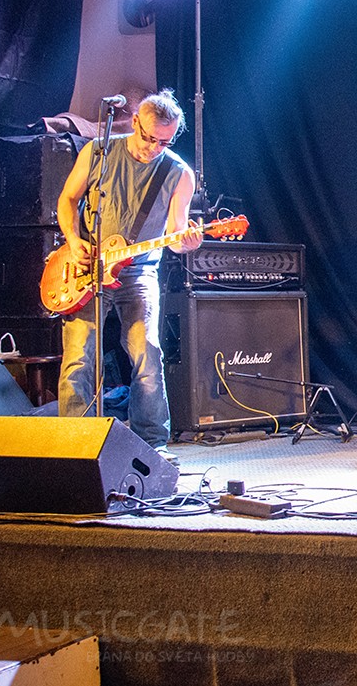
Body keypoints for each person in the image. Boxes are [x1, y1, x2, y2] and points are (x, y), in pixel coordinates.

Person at [57, 90, 203, 466]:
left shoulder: (178, 174)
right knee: (78, 356)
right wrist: (73, 241)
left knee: (146, 353)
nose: (154, 148)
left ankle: (152, 445)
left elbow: (176, 237)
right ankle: (74, 445)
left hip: (138, 271)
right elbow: (68, 200)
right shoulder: (98, 152)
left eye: (164, 142)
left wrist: (187, 242)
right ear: (134, 121)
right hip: (86, 267)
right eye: (149, 138)